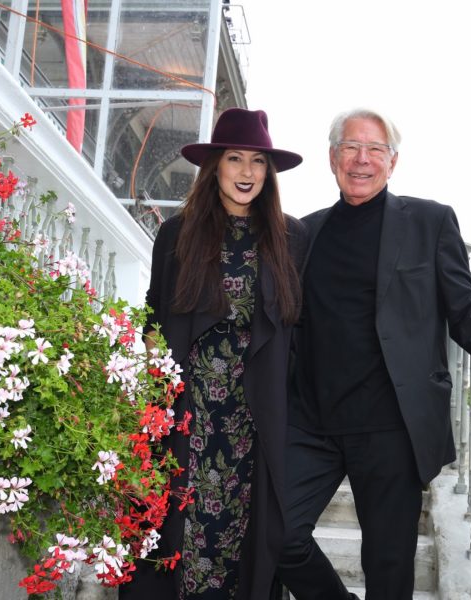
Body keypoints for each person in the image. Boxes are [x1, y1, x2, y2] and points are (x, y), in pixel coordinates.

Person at [276, 108, 471, 600]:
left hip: (390, 425)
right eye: (350, 148)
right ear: (332, 158)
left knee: (389, 566)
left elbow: (462, 303)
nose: (362, 160)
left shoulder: (428, 221)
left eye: (374, 149)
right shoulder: (304, 233)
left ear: (392, 162)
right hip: (312, 421)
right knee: (278, 533)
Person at [120, 108, 306, 600]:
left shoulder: (292, 240)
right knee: (178, 528)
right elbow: (154, 321)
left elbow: (303, 332)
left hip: (256, 415)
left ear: (268, 173)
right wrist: (149, 404)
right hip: (189, 409)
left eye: (258, 162)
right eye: (235, 159)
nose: (247, 173)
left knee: (244, 536)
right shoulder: (177, 236)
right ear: (214, 168)